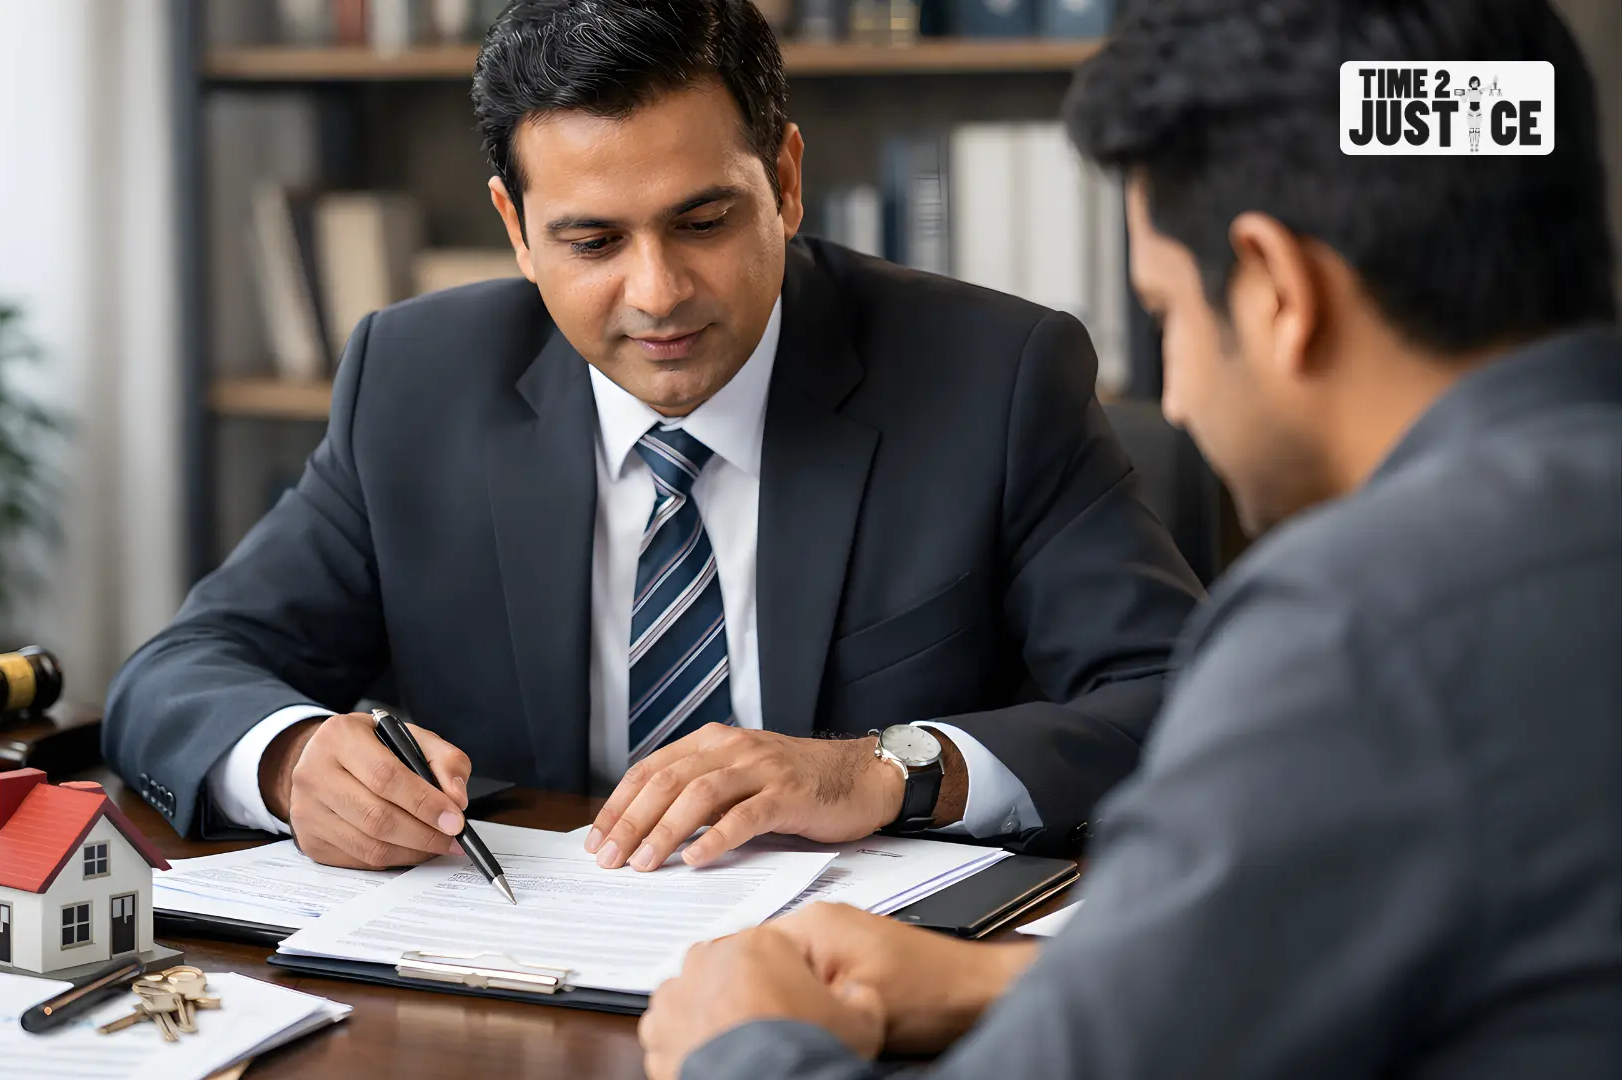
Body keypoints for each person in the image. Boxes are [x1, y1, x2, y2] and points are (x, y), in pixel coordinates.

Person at [638, 0, 1621, 1077]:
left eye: (1165, 313)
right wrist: (1014, 983)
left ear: (1277, 287)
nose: (1182, 399)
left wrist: (746, 1048)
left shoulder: (1357, 626)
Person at [103, 0, 1202, 871]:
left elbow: (1184, 702)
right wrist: (293, 759)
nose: (659, 292)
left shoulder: (990, 377)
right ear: (515, 232)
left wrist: (885, 771)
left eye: (704, 220)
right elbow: (179, 673)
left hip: (859, 995)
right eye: (592, 240)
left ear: (784, 180)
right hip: (519, 991)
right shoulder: (414, 383)